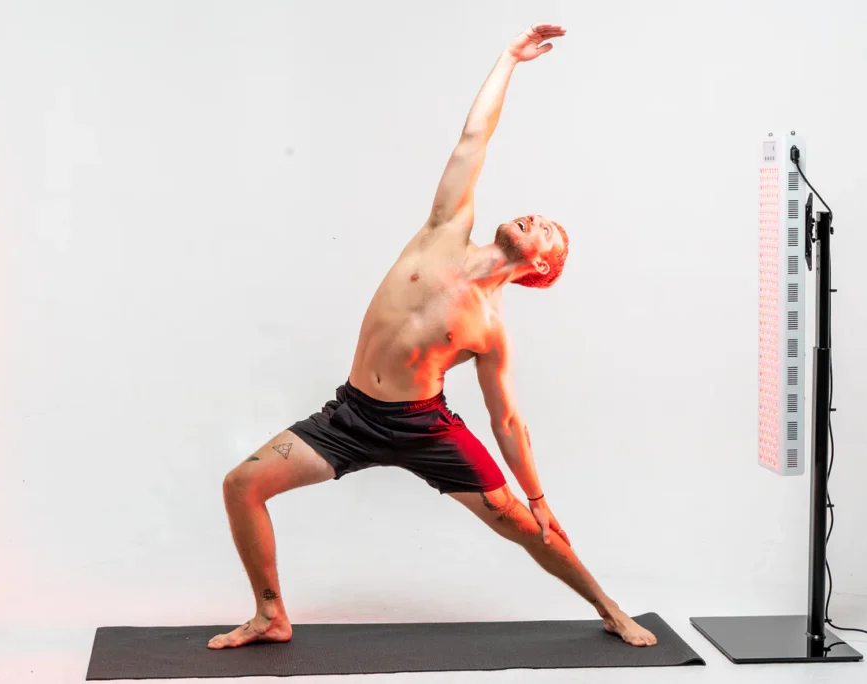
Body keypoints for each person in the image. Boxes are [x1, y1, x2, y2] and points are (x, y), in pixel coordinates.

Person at [208, 23, 657, 650]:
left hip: (426, 427)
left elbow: (508, 422)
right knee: (241, 484)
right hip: (352, 415)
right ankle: (270, 615)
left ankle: (610, 607)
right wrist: (508, 59)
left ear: (539, 268)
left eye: (547, 231)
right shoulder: (447, 226)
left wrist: (539, 496)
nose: (536, 217)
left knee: (527, 527)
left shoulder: (491, 329)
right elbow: (474, 137)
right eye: (539, 215)